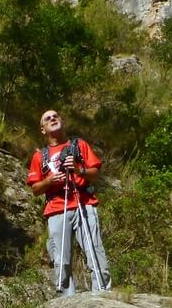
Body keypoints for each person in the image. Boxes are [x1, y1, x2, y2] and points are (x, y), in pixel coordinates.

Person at [27, 109, 111, 296]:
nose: (52, 119)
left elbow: (95, 173)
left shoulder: (79, 145)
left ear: (62, 121)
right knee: (61, 258)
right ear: (43, 129)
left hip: (83, 203)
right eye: (47, 118)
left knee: (94, 250)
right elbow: (35, 189)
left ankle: (102, 293)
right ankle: (67, 299)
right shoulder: (40, 156)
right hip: (56, 207)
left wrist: (79, 170)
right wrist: (49, 181)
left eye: (55, 116)